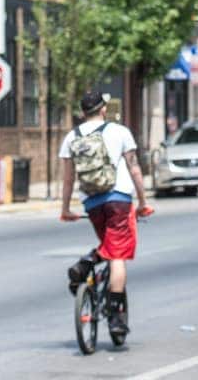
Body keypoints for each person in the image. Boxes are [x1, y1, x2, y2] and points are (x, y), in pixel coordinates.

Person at [60, 90, 152, 336]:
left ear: (82, 113)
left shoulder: (72, 136)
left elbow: (68, 180)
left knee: (111, 245)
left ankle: (86, 264)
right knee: (118, 255)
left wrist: (65, 209)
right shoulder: (119, 132)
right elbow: (134, 169)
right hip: (119, 199)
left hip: (92, 202)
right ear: (103, 110)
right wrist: (143, 201)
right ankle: (115, 316)